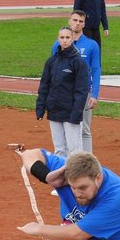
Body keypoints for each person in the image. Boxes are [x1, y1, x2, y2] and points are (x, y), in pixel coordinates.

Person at [51, 10, 101, 153]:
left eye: (81, 21)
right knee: (64, 127)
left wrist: (94, 94)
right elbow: (53, 69)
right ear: (69, 21)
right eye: (75, 20)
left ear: (84, 24)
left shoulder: (92, 45)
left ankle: (88, 163)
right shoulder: (58, 44)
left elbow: (96, 69)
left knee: (84, 129)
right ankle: (66, 163)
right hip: (63, 93)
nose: (77, 24)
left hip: (83, 92)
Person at [36, 26, 89, 158]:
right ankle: (63, 178)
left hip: (71, 112)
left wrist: (76, 113)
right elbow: (44, 86)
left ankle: (78, 178)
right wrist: (40, 107)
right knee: (59, 150)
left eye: (67, 37)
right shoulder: (51, 62)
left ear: (72, 39)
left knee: (74, 151)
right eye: (62, 37)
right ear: (58, 39)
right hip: (54, 110)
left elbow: (81, 90)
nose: (64, 40)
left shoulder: (78, 62)